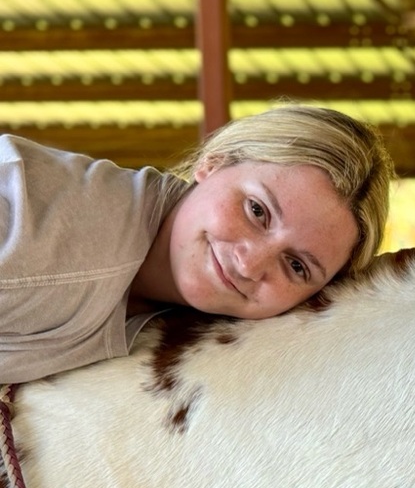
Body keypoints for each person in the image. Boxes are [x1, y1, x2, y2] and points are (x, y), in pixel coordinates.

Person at [0, 104, 394, 384]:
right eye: (257, 211)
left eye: (296, 266)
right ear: (213, 163)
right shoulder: (40, 232)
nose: (250, 264)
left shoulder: (167, 323)